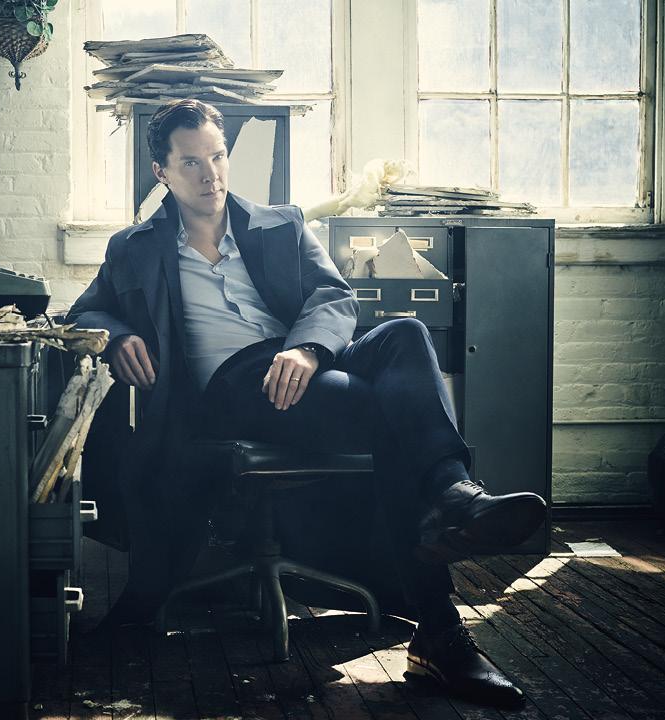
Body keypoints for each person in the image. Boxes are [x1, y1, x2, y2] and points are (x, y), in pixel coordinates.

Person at [66, 98, 547, 709]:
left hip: (304, 363)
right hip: (231, 389)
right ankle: (445, 587)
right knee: (389, 414)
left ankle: (452, 501)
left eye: (218, 157)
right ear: (161, 171)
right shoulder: (134, 247)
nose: (211, 174)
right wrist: (117, 336)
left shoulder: (280, 224)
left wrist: (308, 349)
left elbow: (334, 296)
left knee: (405, 333)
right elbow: (85, 310)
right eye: (191, 163)